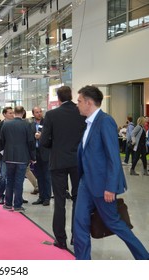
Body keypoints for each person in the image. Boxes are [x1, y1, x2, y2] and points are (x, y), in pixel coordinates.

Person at [74, 85, 149, 260]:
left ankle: (144, 258)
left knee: (114, 223)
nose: (77, 104)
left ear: (88, 102)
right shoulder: (88, 123)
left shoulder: (105, 121)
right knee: (80, 224)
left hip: (102, 185)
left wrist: (111, 186)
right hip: (86, 183)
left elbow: (113, 157)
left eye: (79, 101)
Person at [40, 86, 86, 249]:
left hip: (58, 162)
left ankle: (60, 239)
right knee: (78, 199)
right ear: (71, 96)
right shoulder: (81, 113)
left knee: (59, 201)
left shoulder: (52, 115)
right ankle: (77, 236)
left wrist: (57, 145)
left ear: (58, 98)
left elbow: (44, 142)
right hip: (77, 162)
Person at [0, 106, 35, 213]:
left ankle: (8, 203)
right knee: (19, 182)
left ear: (14, 112)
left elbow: (2, 140)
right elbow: (30, 141)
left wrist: (3, 152)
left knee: (9, 181)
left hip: (9, 157)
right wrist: (32, 157)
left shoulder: (6, 124)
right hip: (22, 157)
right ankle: (17, 205)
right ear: (23, 112)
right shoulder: (27, 125)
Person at [0, 106, 14, 204]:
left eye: (12, 112)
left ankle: (13, 196)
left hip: (15, 154)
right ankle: (1, 195)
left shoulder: (16, 124)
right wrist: (6, 141)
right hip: (4, 154)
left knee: (14, 176)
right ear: (4, 114)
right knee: (3, 176)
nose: (12, 114)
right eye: (10, 113)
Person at [31, 107, 51, 206]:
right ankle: (41, 197)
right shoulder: (31, 125)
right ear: (33, 114)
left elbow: (51, 136)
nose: (39, 114)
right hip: (36, 153)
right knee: (39, 176)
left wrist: (41, 136)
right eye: (37, 112)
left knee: (47, 176)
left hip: (46, 153)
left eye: (40, 112)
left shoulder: (47, 123)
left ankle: (47, 197)